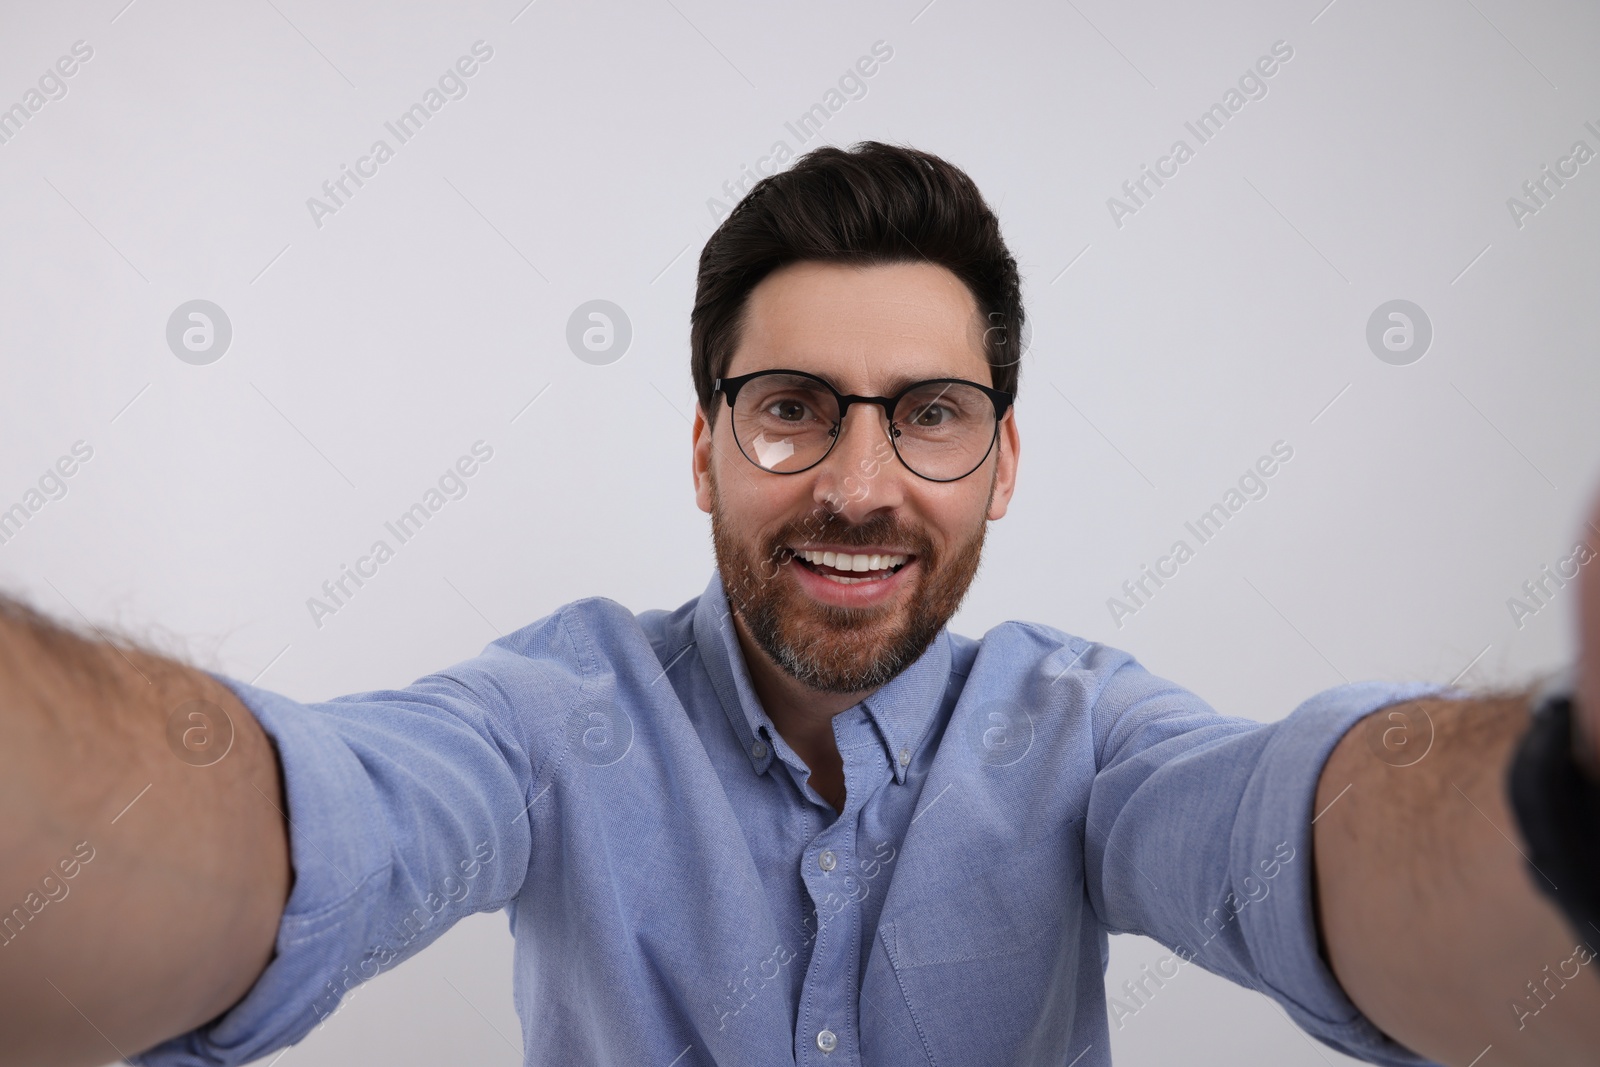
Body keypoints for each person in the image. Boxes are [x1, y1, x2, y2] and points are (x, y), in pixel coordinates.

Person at [2, 141, 1598, 1067]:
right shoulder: (554, 716)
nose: (856, 481)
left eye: (929, 412)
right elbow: (300, 834)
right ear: (705, 449)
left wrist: (1568, 789)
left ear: (1001, 457)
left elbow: (1302, 850)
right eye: (790, 406)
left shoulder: (1082, 731)